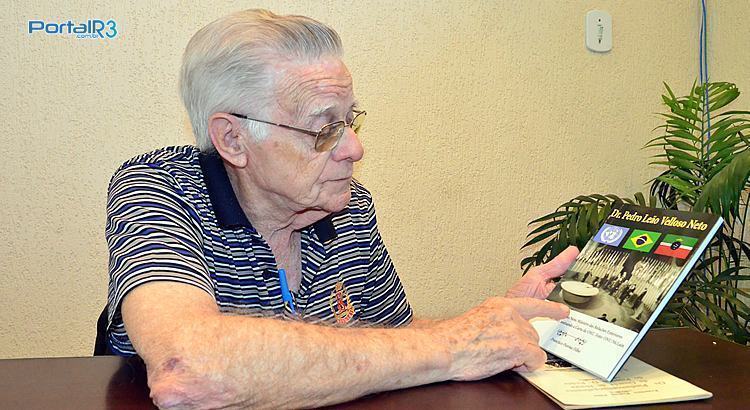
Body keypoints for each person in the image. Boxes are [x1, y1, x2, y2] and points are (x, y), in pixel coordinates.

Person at [104, 9, 579, 409]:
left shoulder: (346, 204)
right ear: (233, 139)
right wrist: (452, 345)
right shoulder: (159, 187)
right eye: (324, 127)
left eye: (350, 120)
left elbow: (396, 337)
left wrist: (500, 326)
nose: (354, 149)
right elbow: (187, 370)